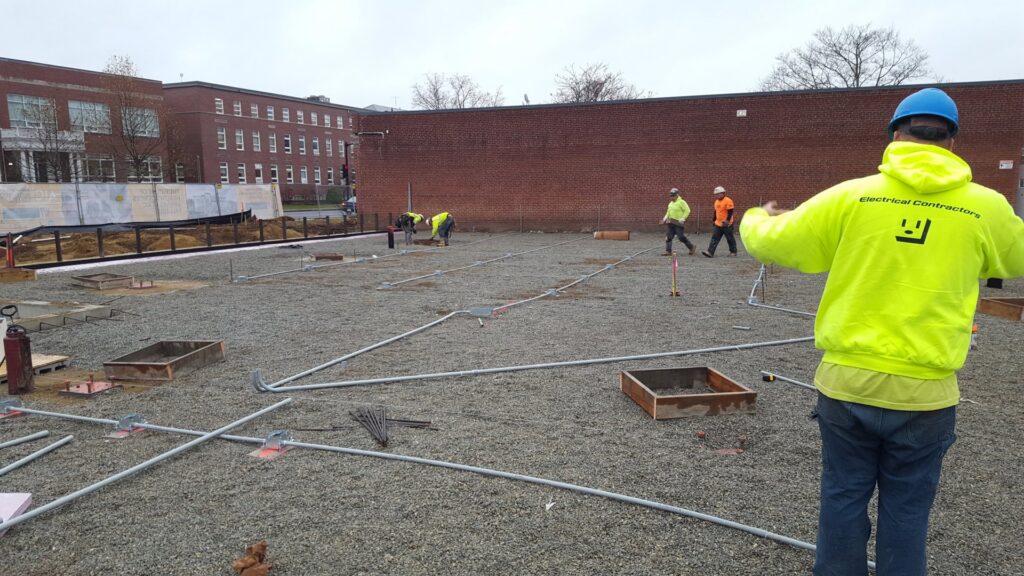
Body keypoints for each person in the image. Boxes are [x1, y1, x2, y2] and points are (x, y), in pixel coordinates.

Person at [739, 87, 1024, 575]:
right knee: (908, 513)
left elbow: (773, 242)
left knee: (843, 498)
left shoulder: (853, 195)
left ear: (896, 134)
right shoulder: (986, 207)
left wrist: (755, 217)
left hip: (847, 385)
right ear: (951, 143)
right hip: (927, 396)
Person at [702, 186, 737, 257]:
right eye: (716, 194)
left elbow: (730, 212)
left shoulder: (728, 200)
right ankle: (710, 252)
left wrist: (727, 221)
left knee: (730, 238)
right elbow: (716, 211)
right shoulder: (716, 201)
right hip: (718, 224)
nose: (717, 195)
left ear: (723, 193)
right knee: (714, 238)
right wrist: (714, 220)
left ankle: (733, 252)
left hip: (727, 224)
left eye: (718, 194)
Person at [660, 187, 696, 256]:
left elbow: (687, 210)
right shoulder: (670, 203)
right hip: (670, 222)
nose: (671, 197)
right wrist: (664, 219)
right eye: (671, 196)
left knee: (681, 237)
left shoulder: (682, 202)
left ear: (677, 195)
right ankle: (668, 251)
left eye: (673, 196)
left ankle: (691, 247)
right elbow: (668, 212)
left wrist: (683, 218)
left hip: (678, 223)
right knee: (668, 237)